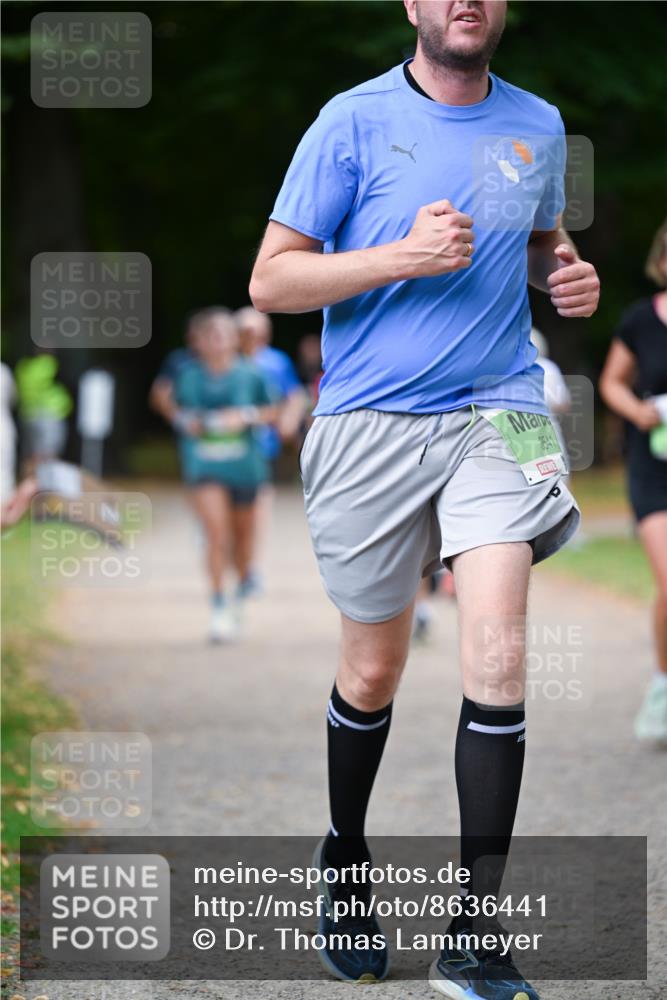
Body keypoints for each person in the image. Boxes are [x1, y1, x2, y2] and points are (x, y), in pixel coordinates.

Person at [250, 1, 600, 996]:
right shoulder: (351, 121)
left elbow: (539, 244)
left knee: (497, 652)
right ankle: (344, 856)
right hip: (369, 421)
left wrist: (563, 277)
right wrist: (400, 256)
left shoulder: (537, 124)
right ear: (412, 5)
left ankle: (473, 935)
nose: (464, 1)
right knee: (373, 670)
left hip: (498, 409)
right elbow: (271, 282)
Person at [599, 219, 667, 743]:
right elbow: (611, 383)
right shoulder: (641, 319)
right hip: (654, 468)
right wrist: (638, 411)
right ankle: (663, 687)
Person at [170, 309, 276, 642]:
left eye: (223, 334)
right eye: (210, 335)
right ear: (197, 342)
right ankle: (218, 605)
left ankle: (241, 590)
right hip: (204, 467)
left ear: (234, 339)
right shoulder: (187, 375)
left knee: (242, 542)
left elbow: (274, 409)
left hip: (245, 469)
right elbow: (173, 408)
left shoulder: (251, 374)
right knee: (216, 536)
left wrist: (244, 416)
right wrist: (187, 421)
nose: (217, 341)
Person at [235, 306, 307, 591]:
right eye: (247, 331)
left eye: (258, 332)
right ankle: (238, 561)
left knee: (258, 508)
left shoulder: (276, 362)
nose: (253, 337)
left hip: (262, 448)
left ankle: (251, 569)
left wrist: (288, 422)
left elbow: (294, 395)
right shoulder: (224, 361)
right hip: (225, 451)